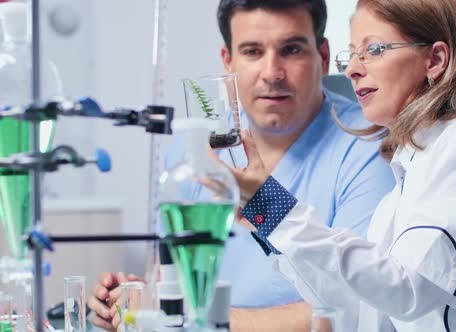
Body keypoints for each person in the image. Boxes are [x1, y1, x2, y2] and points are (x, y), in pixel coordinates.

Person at [227, 0, 456, 331]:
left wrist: (275, 206)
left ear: (434, 60)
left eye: (373, 50)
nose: (352, 69)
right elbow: (359, 306)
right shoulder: (408, 177)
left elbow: (410, 290)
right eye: (353, 53)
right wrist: (267, 214)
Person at [88, 0, 396, 331]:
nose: (272, 73)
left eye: (291, 49)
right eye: (252, 51)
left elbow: (357, 309)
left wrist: (191, 320)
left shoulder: (370, 147)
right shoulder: (190, 155)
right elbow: (169, 278)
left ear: (323, 56)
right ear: (228, 61)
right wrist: (131, 302)